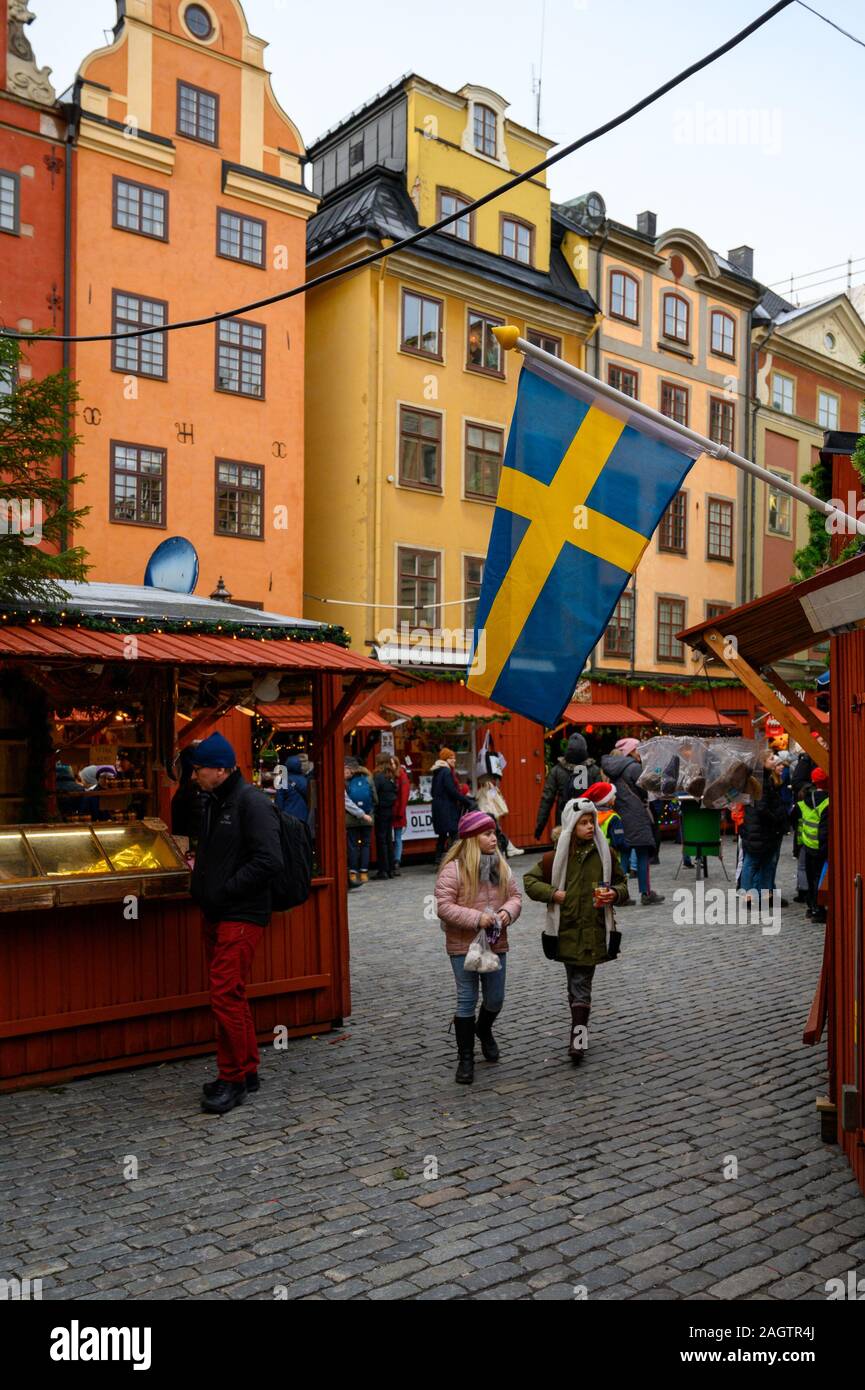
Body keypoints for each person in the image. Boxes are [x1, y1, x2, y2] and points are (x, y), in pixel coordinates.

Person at [190, 732, 283, 1115]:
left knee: (224, 993)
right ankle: (246, 1070)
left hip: (240, 914)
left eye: (199, 769)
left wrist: (225, 890)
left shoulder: (251, 803)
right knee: (233, 993)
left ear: (221, 769)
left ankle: (233, 1079)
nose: (194, 775)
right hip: (221, 911)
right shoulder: (215, 800)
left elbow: (269, 861)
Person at [524, 798, 629, 1064]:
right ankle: (578, 1027)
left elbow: (623, 885)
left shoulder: (605, 855)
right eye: (583, 822)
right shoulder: (556, 857)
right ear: (572, 824)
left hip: (593, 932)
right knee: (574, 987)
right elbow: (529, 882)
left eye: (591, 821)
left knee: (581, 987)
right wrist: (554, 894)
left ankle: (578, 1041)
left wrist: (614, 894)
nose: (590, 827)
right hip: (565, 931)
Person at [434, 810, 522, 1084]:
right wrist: (477, 919)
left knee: (495, 998)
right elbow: (443, 906)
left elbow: (515, 896)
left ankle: (483, 1030)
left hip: (494, 943)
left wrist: (507, 912)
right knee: (466, 999)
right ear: (472, 839)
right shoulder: (454, 869)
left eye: (494, 832)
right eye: (487, 834)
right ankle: (466, 1059)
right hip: (463, 944)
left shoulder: (497, 865)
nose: (494, 838)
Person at [601, 738, 664, 906]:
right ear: (631, 751)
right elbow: (646, 789)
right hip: (636, 816)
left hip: (620, 816)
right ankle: (646, 893)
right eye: (638, 749)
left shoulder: (613, 768)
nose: (640, 752)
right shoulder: (634, 767)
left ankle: (620, 894)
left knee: (624, 856)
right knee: (643, 855)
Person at [740, 750, 788, 909]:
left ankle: (764, 896)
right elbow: (762, 807)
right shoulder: (760, 780)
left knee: (765, 862)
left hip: (761, 828)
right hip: (759, 828)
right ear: (762, 762)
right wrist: (776, 819)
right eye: (771, 758)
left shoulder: (764, 778)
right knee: (752, 862)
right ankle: (748, 897)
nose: (775, 760)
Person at [534, 732, 601, 840]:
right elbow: (600, 799)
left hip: (564, 820)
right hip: (589, 821)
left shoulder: (557, 771)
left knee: (564, 853)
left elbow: (547, 799)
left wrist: (539, 828)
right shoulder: (594, 770)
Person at [431, 747, 474, 866]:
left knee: (443, 835)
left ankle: (438, 858)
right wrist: (466, 801)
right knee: (454, 833)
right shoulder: (446, 772)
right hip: (447, 807)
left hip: (439, 807)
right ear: (445, 759)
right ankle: (456, 859)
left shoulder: (438, 771)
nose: (454, 760)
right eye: (451, 758)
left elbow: (433, 792)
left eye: (454, 757)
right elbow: (452, 791)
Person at [797, 767, 829, 922]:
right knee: (819, 878)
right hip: (819, 847)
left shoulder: (805, 797)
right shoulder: (827, 802)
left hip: (807, 844)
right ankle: (818, 910)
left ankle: (811, 907)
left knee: (811, 877)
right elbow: (824, 830)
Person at [344, 760, 374, 888]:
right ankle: (364, 872)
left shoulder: (346, 782)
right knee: (366, 844)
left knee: (352, 845)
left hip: (351, 819)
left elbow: (346, 802)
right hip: (367, 816)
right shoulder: (368, 779)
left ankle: (352, 872)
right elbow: (375, 798)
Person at [372, 752, 397, 880]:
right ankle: (391, 868)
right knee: (388, 839)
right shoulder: (390, 776)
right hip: (389, 810)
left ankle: (383, 869)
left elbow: (374, 792)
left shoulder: (378, 776)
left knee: (381, 840)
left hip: (381, 810)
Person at [275, 754, 309, 823]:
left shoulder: (284, 781)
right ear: (299, 765)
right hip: (304, 818)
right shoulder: (305, 780)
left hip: (288, 818)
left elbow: (279, 803)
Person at [391, 755, 411, 874]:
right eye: (391, 763)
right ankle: (392, 859)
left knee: (398, 837)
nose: (392, 766)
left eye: (394, 763)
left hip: (398, 811)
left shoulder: (402, 776)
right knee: (390, 837)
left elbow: (404, 795)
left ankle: (397, 860)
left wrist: (400, 811)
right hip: (391, 811)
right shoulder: (389, 776)